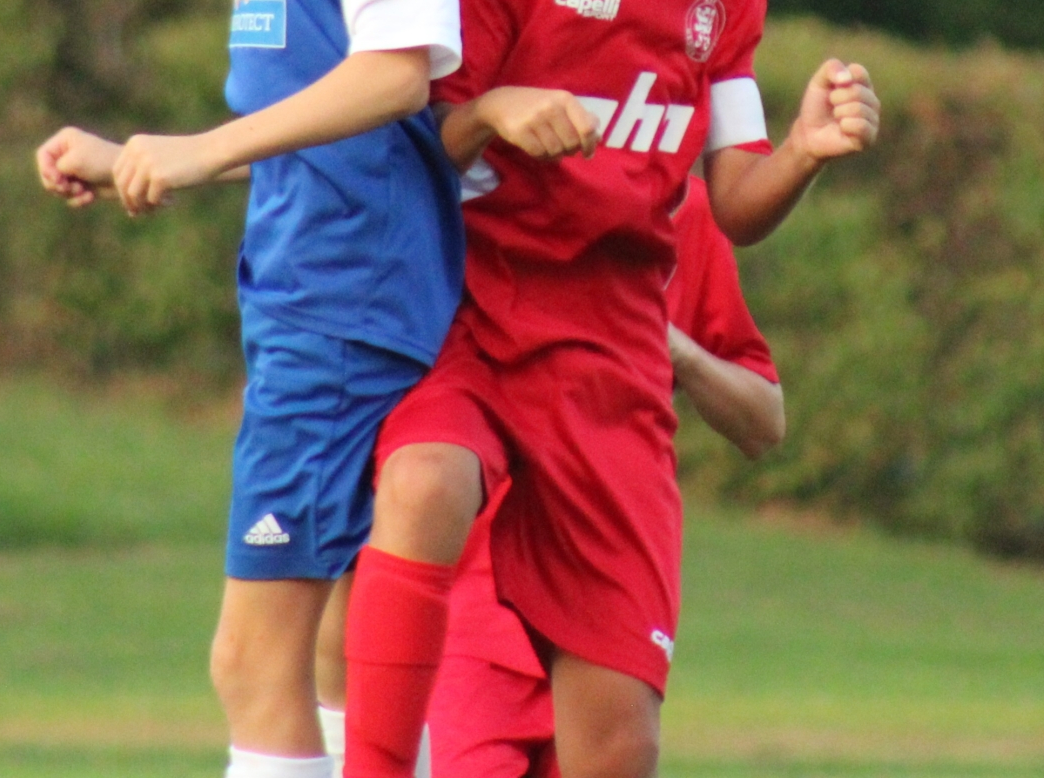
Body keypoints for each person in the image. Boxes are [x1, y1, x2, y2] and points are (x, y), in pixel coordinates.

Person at [340, 0, 881, 778]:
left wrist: (804, 149)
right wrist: (497, 109)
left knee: (617, 741)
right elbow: (423, 137)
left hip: (611, 364)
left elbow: (735, 203)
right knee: (427, 481)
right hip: (475, 318)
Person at [33, 0, 463, 778]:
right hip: (362, 301)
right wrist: (147, 154)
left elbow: (399, 71)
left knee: (253, 659)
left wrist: (195, 149)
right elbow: (345, 117)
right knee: (332, 656)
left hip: (335, 310)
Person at [313, 174, 786, 777]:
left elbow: (764, 421)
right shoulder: (475, 182)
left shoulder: (682, 207)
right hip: (473, 617)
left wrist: (676, 349)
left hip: (606, 591)